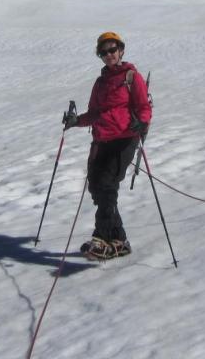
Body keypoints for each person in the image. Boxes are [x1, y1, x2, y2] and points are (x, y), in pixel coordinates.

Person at [64, 31, 152, 260]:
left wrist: (140, 122)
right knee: (96, 187)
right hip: (102, 139)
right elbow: (95, 112)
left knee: (107, 185)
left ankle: (101, 238)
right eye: (104, 52)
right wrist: (77, 121)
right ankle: (119, 241)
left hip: (124, 138)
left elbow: (144, 107)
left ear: (121, 50)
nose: (109, 54)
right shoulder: (101, 82)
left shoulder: (132, 77)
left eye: (112, 50)